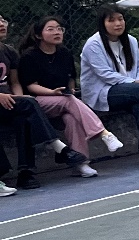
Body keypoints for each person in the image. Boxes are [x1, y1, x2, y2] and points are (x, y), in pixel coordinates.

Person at [17, 15, 125, 178]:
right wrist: (52, 93)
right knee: (68, 101)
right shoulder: (29, 56)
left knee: (71, 118)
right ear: (39, 35)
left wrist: (71, 89)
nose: (57, 32)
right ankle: (104, 134)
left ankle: (80, 163)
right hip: (38, 102)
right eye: (51, 29)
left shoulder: (64, 53)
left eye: (60, 29)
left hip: (64, 99)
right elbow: (31, 85)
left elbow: (70, 78)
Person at [0, 12, 90, 191]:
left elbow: (15, 82)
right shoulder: (30, 55)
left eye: (2, 20)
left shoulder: (8, 51)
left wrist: (19, 97)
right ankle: (60, 148)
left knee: (24, 116)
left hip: (9, 103)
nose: (1, 24)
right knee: (30, 105)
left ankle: (26, 173)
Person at [80, 5, 139, 162]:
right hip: (104, 92)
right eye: (112, 20)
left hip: (132, 90)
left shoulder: (130, 40)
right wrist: (135, 82)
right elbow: (105, 74)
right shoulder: (93, 44)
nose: (118, 23)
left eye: (120, 19)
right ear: (102, 23)